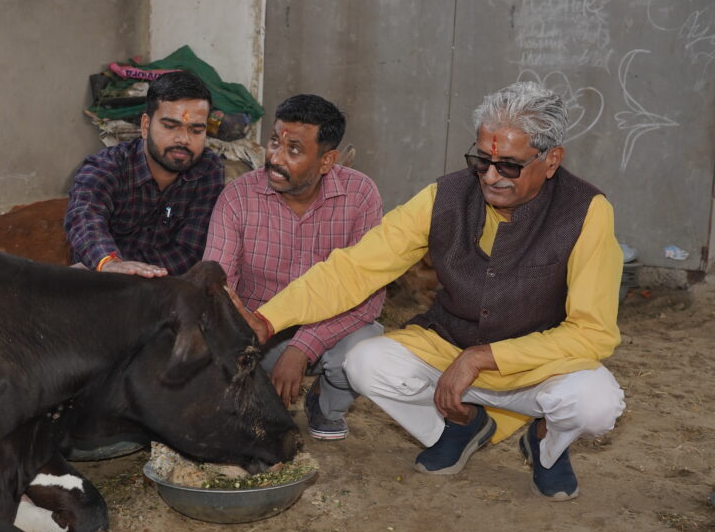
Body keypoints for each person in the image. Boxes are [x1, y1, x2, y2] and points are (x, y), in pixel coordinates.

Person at [232, 81, 625, 501]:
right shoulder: (446, 196)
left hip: (536, 366)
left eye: (508, 166)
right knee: (364, 362)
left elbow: (593, 332)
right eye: (481, 160)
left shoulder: (586, 211)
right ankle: (463, 425)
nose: (490, 177)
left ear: (551, 161)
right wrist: (269, 317)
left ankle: (547, 444)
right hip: (448, 351)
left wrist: (484, 357)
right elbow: (355, 269)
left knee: (597, 404)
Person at [204, 94, 385, 440]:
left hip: (334, 331)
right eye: (274, 142)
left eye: (295, 150)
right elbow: (217, 287)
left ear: (327, 160)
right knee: (255, 423)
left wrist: (304, 346)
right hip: (262, 338)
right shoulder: (238, 198)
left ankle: (325, 404)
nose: (275, 158)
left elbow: (370, 297)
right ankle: (260, 396)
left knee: (367, 351)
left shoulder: (360, 195)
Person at [65, 70, 224, 277]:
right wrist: (108, 262)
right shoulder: (106, 167)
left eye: (196, 130)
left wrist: (132, 270)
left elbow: (189, 252)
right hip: (102, 282)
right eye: (170, 126)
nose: (184, 139)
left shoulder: (208, 171)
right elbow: (84, 217)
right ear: (145, 125)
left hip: (161, 289)